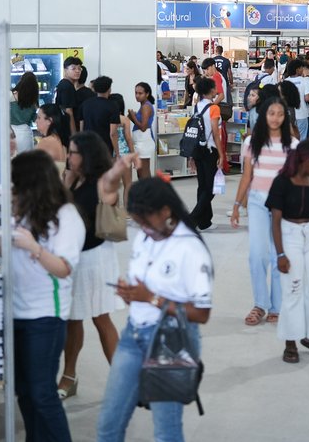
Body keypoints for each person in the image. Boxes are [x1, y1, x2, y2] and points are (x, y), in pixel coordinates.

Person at [96, 178, 213, 442]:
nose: (143, 228)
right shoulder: (145, 238)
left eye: (146, 221)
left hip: (172, 342)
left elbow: (201, 314)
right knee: (108, 425)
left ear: (165, 211)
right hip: (132, 336)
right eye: (138, 222)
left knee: (166, 432)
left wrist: (151, 298)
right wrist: (131, 294)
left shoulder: (190, 248)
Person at [0, 150, 86, 442]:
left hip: (46, 316)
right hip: (15, 312)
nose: (11, 188)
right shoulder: (21, 211)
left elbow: (63, 268)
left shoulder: (65, 216)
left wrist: (34, 248)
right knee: (23, 389)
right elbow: (2, 249)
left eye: (16, 183)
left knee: (42, 392)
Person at [58, 132, 128, 401]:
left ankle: (122, 381)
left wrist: (120, 168)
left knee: (101, 319)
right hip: (74, 257)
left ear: (85, 155)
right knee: (73, 320)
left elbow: (111, 184)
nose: (69, 156)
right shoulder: (72, 178)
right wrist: (68, 178)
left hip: (96, 258)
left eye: (73, 152)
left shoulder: (102, 182)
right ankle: (69, 376)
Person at [230, 97, 297, 326]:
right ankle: (260, 304)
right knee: (257, 255)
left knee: (279, 254)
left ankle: (276, 307)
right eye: (271, 113)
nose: (276, 118)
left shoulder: (293, 146)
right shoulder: (251, 142)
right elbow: (246, 176)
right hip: (257, 203)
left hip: (284, 207)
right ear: (264, 115)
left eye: (280, 114)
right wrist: (237, 205)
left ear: (285, 117)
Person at [268, 140, 309, 363]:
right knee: (293, 289)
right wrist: (280, 254)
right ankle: (290, 341)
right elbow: (275, 221)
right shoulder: (282, 182)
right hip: (290, 236)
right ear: (307, 161)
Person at [187, 76, 225, 231]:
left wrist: (191, 155)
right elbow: (216, 134)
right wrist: (222, 155)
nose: (217, 90)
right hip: (210, 150)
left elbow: (193, 131)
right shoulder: (213, 108)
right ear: (210, 90)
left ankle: (205, 222)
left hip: (198, 150)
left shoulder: (197, 107)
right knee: (211, 188)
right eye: (215, 87)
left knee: (202, 185)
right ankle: (193, 219)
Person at [80, 76, 120, 155]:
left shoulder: (85, 104)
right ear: (109, 89)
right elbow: (113, 133)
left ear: (94, 89)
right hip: (105, 147)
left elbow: (81, 127)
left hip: (87, 145)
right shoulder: (112, 106)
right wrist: (117, 153)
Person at [110, 93, 136, 205]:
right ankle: (127, 211)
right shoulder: (125, 119)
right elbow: (128, 138)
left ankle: (113, 211)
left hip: (111, 153)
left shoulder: (107, 119)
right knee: (128, 184)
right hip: (125, 154)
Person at [127, 82, 156, 182]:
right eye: (136, 93)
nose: (137, 96)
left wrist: (133, 116)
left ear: (147, 94)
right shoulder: (144, 105)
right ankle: (146, 194)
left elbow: (143, 127)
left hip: (144, 142)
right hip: (141, 142)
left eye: (140, 93)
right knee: (141, 172)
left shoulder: (146, 106)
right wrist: (132, 118)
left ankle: (149, 195)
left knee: (144, 173)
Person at [11, 71, 40, 153]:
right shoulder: (32, 101)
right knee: (25, 162)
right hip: (25, 134)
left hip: (10, 132)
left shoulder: (11, 95)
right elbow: (35, 118)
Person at [284, 59, 309, 140]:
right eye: (301, 68)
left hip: (288, 114)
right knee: (302, 138)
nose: (302, 70)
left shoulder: (285, 81)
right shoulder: (305, 80)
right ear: (297, 69)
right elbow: (307, 98)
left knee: (289, 138)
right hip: (302, 113)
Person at [36, 103, 70, 169]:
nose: (36, 121)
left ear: (49, 121)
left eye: (39, 118)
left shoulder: (47, 142)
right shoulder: (58, 138)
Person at [55, 56, 83, 136]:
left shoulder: (64, 83)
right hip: (67, 129)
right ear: (65, 70)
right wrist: (74, 134)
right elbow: (69, 112)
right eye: (73, 68)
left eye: (79, 68)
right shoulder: (67, 86)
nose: (77, 71)